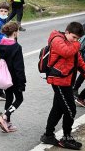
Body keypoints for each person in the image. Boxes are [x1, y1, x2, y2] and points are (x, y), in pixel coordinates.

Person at [40, 22, 85, 150]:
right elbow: (66, 52)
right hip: (59, 80)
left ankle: (48, 135)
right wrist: (77, 44)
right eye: (74, 37)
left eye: (77, 38)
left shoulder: (72, 44)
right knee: (71, 110)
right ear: (67, 32)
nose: (76, 40)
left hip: (67, 80)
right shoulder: (57, 39)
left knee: (58, 108)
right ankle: (66, 138)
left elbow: (79, 61)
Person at [0, 22, 26, 133]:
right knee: (19, 99)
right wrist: (22, 82)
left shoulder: (1, 44)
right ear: (15, 32)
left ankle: (7, 123)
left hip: (4, 77)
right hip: (14, 78)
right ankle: (5, 116)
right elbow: (19, 67)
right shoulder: (16, 47)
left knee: (9, 97)